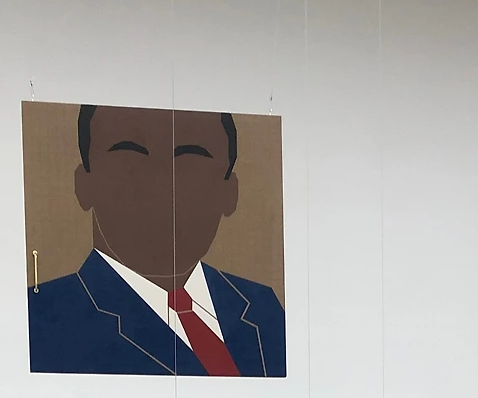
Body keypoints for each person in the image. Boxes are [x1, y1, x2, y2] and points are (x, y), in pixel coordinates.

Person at [28, 105, 286, 377]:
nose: (162, 185)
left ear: (229, 192)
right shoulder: (42, 322)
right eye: (129, 159)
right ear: (83, 186)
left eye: (190, 160)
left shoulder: (262, 307)